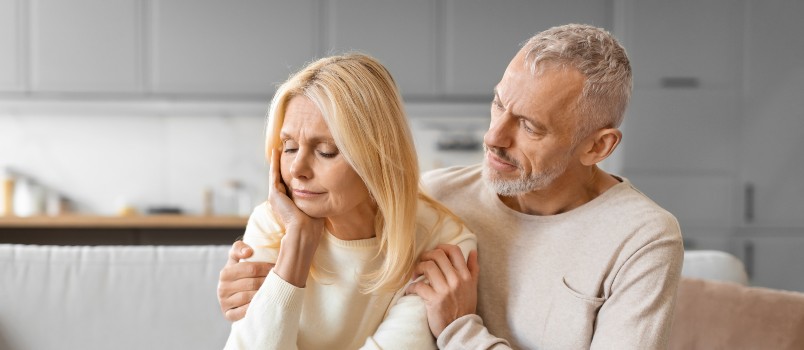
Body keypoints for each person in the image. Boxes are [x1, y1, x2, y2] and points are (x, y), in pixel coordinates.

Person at [219, 24, 683, 349]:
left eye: (528, 126)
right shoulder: (436, 196)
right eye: (498, 105)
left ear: (597, 146)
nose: (493, 137)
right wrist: (254, 291)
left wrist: (461, 331)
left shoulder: (641, 238)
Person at [222, 53, 476, 349]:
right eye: (289, 147)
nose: (296, 170)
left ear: (379, 157)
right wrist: (298, 244)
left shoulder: (442, 243)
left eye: (326, 151)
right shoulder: (272, 224)